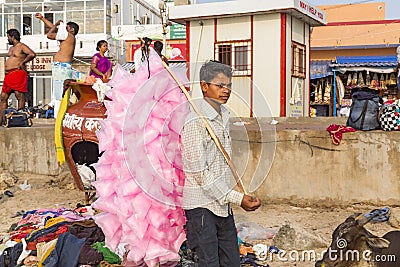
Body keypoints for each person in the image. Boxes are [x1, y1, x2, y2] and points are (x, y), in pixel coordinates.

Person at [181, 60, 261, 267]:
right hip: (201, 207)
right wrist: (237, 198)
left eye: (229, 86)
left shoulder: (224, 116)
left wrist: (234, 197)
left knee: (232, 262)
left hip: (222, 206)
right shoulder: (194, 122)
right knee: (209, 263)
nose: (226, 91)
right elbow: (201, 175)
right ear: (204, 86)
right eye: (220, 85)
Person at [35, 13, 79, 118]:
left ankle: (58, 117)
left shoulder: (68, 36)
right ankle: (59, 115)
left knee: (59, 95)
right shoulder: (68, 36)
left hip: (61, 67)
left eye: (66, 27)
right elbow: (54, 29)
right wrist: (42, 19)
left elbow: (50, 34)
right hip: (61, 67)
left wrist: (56, 24)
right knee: (59, 93)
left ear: (72, 29)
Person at [0, 29, 36, 125]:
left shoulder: (21, 46)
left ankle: (20, 118)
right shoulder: (11, 48)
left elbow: (32, 54)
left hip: (17, 72)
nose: (7, 39)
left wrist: (23, 62)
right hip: (8, 75)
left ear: (13, 37)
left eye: (8, 37)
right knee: (3, 97)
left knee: (19, 95)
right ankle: (1, 120)